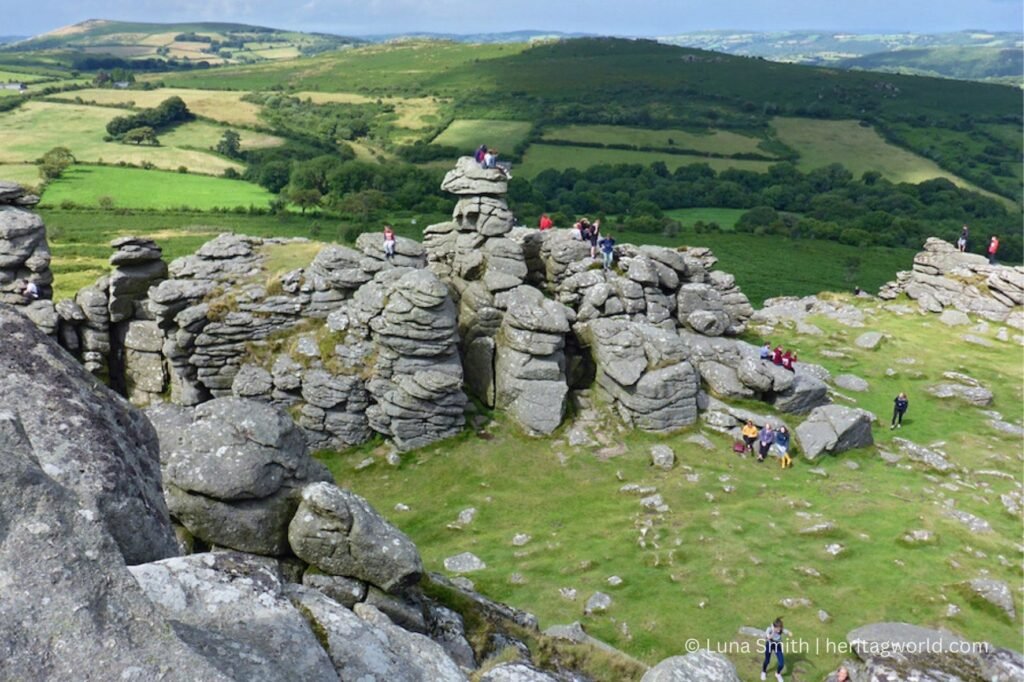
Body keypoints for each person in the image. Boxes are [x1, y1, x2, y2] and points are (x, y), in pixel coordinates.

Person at [761, 617, 786, 681]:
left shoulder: (780, 629)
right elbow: (768, 637)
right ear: (774, 627)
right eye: (777, 629)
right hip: (769, 645)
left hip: (777, 646)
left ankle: (778, 674)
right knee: (767, 660)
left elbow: (786, 631)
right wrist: (773, 631)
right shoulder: (769, 629)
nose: (779, 630)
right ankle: (763, 671)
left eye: (779, 629)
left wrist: (789, 633)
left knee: (781, 663)